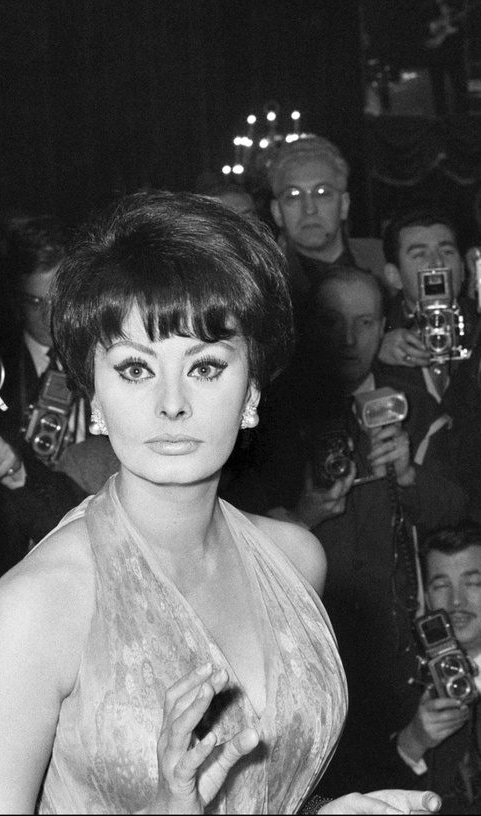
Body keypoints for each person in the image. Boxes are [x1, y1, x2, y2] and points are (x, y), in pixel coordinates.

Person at [0, 190, 441, 815]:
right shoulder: (35, 610)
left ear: (251, 390)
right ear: (94, 394)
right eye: (135, 369)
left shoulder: (294, 560)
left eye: (204, 368)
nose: (171, 403)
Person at [250, 265, 467, 796]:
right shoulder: (270, 416)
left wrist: (410, 476)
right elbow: (237, 542)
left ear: (384, 326)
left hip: (401, 654)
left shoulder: (413, 404)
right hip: (309, 654)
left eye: (366, 322)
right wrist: (305, 515)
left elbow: (459, 519)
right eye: (332, 321)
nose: (349, 339)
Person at [0, 213, 88, 581]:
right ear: (15, 298)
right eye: (36, 302)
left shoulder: (111, 361)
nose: (50, 316)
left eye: (59, 299)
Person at [393, 523, 481, 813]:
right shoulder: (403, 680)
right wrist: (413, 742)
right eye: (441, 586)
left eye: (474, 583)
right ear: (427, 598)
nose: (456, 601)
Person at [266, 135, 388, 328]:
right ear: (277, 212)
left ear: (344, 205)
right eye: (293, 196)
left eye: (322, 193)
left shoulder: (383, 261)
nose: (309, 209)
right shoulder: (267, 284)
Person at [379, 208, 479, 422]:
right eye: (420, 254)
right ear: (394, 276)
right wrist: (375, 352)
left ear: (462, 269)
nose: (437, 263)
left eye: (447, 251)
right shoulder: (377, 333)